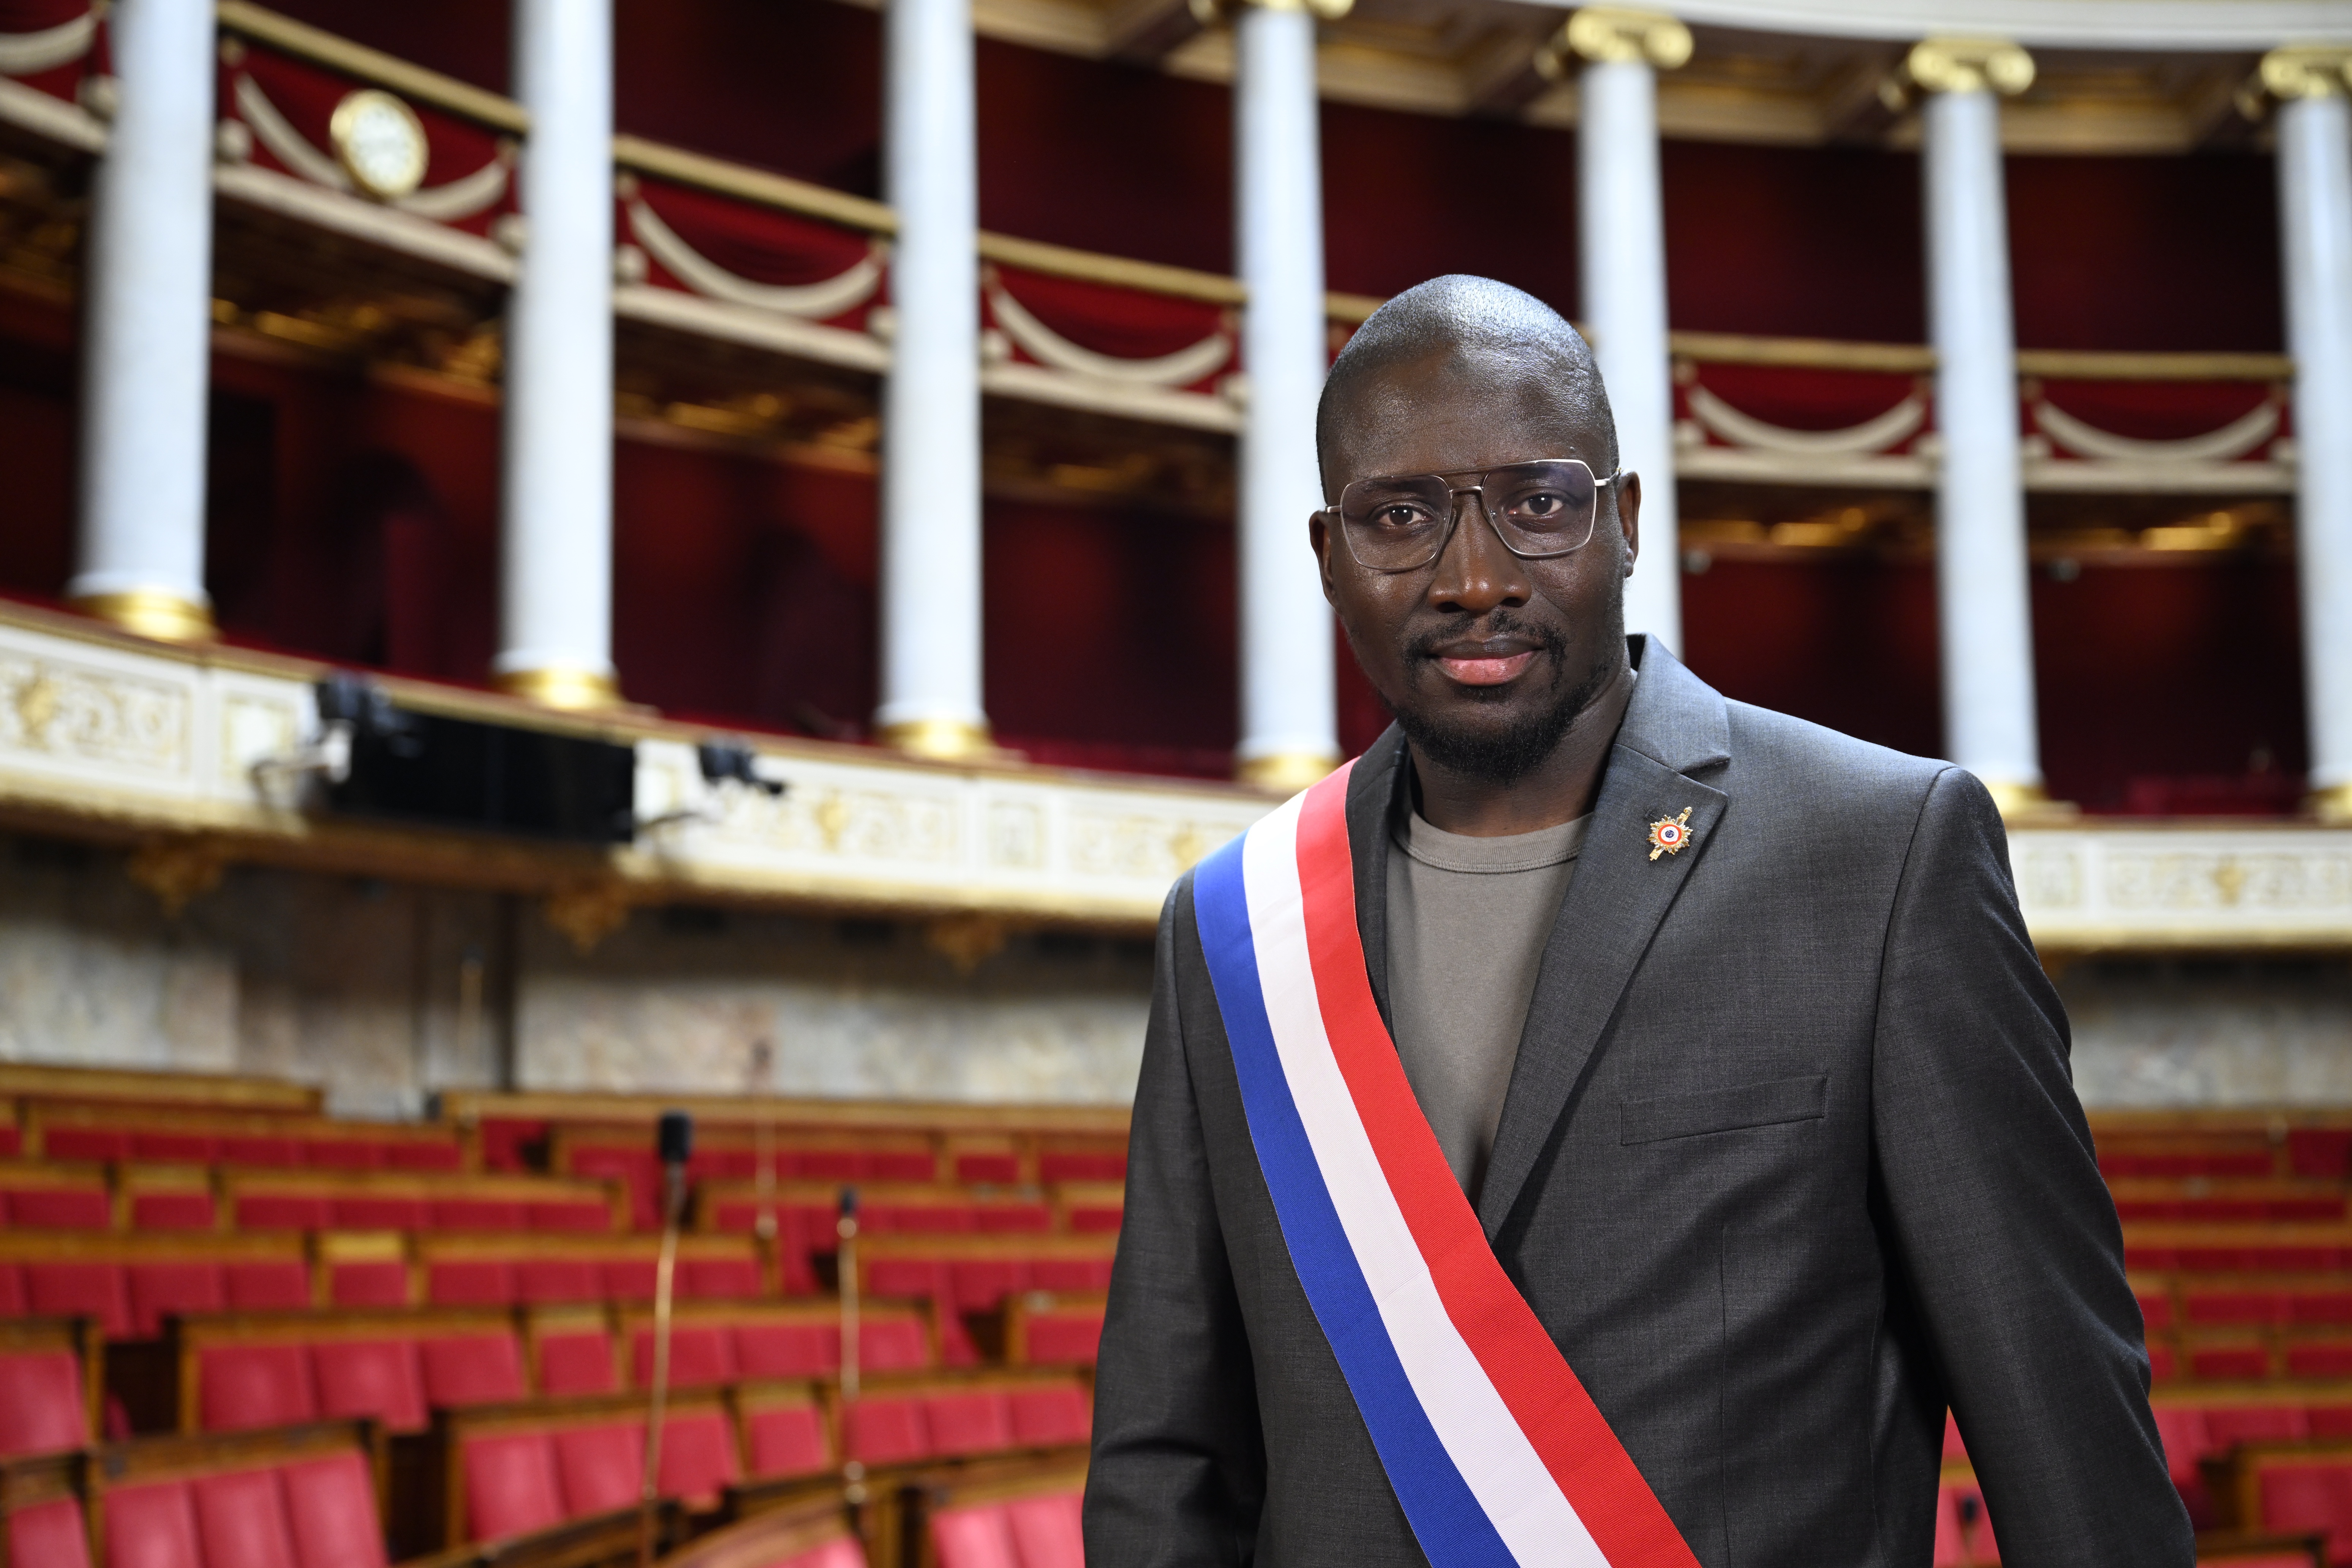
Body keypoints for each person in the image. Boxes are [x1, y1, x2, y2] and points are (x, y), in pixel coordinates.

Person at [1082, 275, 2191, 1568]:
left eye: (1537, 504)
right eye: (1402, 516)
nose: (1478, 577)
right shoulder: (1231, 932)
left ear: (1625, 523)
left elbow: (2070, 1450)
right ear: (1329, 560)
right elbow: (1170, 1466)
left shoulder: (1883, 856)